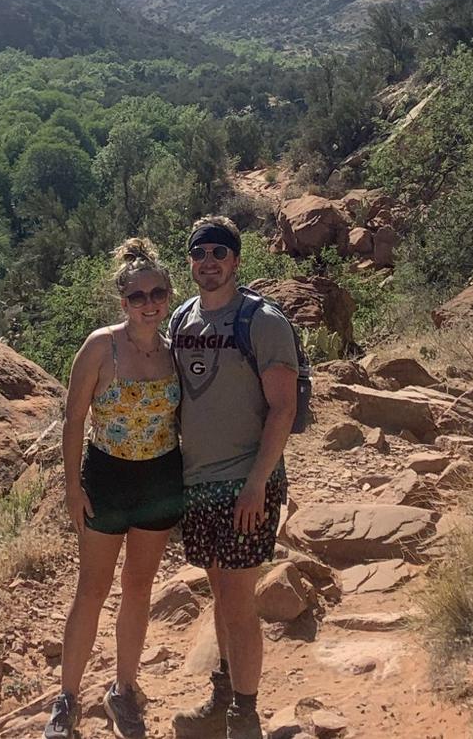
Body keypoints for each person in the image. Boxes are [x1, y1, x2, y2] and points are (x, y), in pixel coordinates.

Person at [45, 237, 184, 739]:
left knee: (139, 589)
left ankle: (125, 689)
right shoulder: (100, 346)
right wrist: (71, 488)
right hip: (106, 480)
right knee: (92, 589)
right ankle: (66, 700)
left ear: (169, 295)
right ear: (121, 301)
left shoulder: (176, 350)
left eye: (158, 293)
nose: (150, 304)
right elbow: (72, 419)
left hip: (161, 481)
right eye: (138, 296)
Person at [169, 215, 298, 739]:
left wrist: (257, 483)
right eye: (200, 253)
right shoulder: (181, 319)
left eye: (219, 252)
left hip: (247, 483)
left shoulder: (261, 321)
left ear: (237, 260)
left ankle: (245, 718)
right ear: (191, 262)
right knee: (220, 596)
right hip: (199, 483)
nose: (209, 262)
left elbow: (283, 409)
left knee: (239, 602)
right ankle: (222, 706)